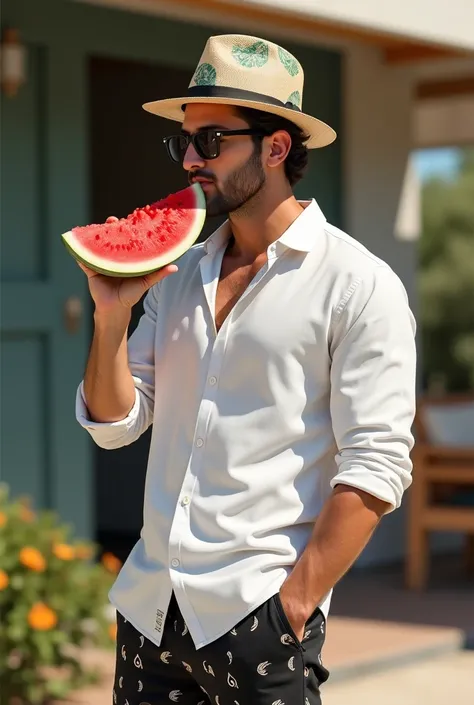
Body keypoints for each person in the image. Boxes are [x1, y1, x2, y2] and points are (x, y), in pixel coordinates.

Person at [76, 33, 417, 705]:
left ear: (277, 147)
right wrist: (110, 317)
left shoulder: (357, 284)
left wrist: (292, 608)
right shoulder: (178, 279)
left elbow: (375, 465)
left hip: (256, 617)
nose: (191, 162)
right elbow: (115, 425)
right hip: (149, 610)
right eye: (184, 142)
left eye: (211, 142)